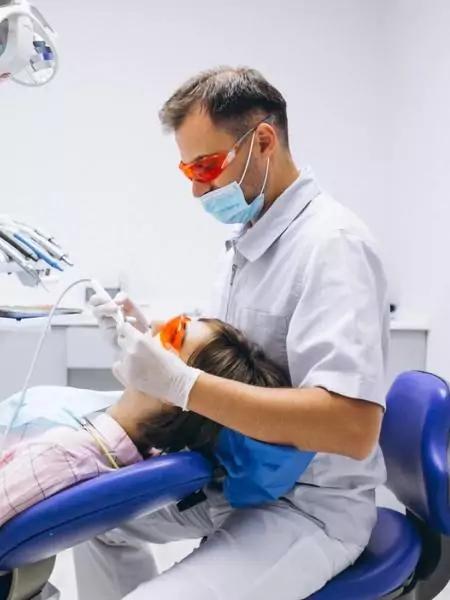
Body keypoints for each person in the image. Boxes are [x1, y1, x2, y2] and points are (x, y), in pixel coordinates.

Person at [80, 66, 389, 600]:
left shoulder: (331, 245)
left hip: (310, 504)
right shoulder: (250, 241)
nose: (199, 188)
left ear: (263, 141)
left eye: (207, 165)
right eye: (188, 171)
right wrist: (148, 337)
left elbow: (353, 428)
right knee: (94, 523)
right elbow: (236, 362)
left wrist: (182, 386)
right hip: (245, 478)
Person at [0, 316, 290, 527]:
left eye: (174, 333)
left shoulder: (62, 455)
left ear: (173, 392)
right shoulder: (130, 457)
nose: (154, 323)